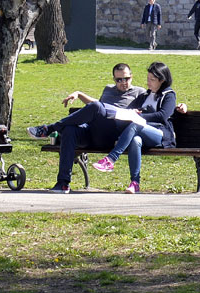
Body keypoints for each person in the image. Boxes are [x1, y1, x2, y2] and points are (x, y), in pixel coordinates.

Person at [26, 63, 147, 194]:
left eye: (126, 78)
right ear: (114, 80)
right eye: (119, 80)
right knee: (69, 130)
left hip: (111, 135)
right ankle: (63, 183)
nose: (123, 82)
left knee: (96, 107)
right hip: (92, 132)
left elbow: (145, 115)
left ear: (131, 76)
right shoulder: (108, 89)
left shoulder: (139, 93)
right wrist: (79, 94)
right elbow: (98, 107)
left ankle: (50, 128)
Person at [91, 62, 176, 194]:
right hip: (141, 133)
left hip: (160, 135)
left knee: (136, 123)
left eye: (152, 80)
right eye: (147, 79)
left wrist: (141, 116)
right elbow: (130, 111)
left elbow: (163, 116)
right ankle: (135, 183)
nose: (148, 83)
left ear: (162, 80)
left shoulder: (169, 95)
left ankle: (111, 159)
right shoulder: (145, 95)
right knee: (136, 140)